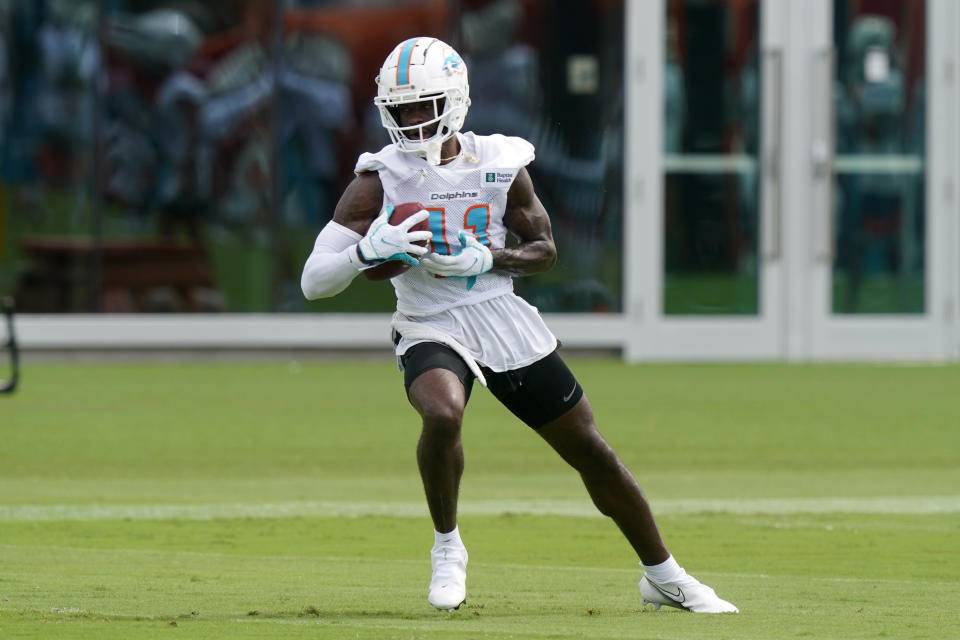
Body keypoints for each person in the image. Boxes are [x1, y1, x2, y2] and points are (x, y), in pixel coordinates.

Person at [301, 37, 738, 614]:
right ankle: (447, 548)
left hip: (500, 314)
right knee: (442, 410)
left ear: (454, 102)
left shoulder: (500, 162)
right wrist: (363, 254)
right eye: (399, 109)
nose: (408, 120)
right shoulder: (379, 179)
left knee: (588, 448)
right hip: (429, 319)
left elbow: (545, 250)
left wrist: (488, 259)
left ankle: (664, 574)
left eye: (420, 106)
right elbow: (313, 280)